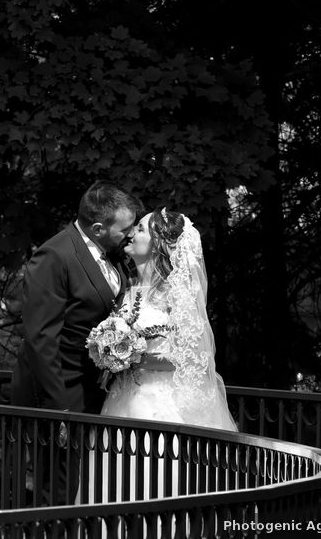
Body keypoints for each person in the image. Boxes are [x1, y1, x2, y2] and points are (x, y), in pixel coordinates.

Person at [81, 207, 237, 506]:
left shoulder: (174, 293)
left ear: (158, 242)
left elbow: (193, 355)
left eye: (139, 229)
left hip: (162, 405)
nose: (131, 234)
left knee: (157, 485)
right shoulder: (126, 291)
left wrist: (134, 356)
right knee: (115, 486)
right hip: (120, 401)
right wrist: (106, 351)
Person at [11, 180, 143, 506]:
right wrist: (61, 407)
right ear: (98, 228)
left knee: (82, 482)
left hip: (91, 388)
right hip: (57, 392)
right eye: (125, 228)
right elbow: (41, 338)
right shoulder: (54, 256)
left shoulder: (114, 255)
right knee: (59, 486)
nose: (130, 234)